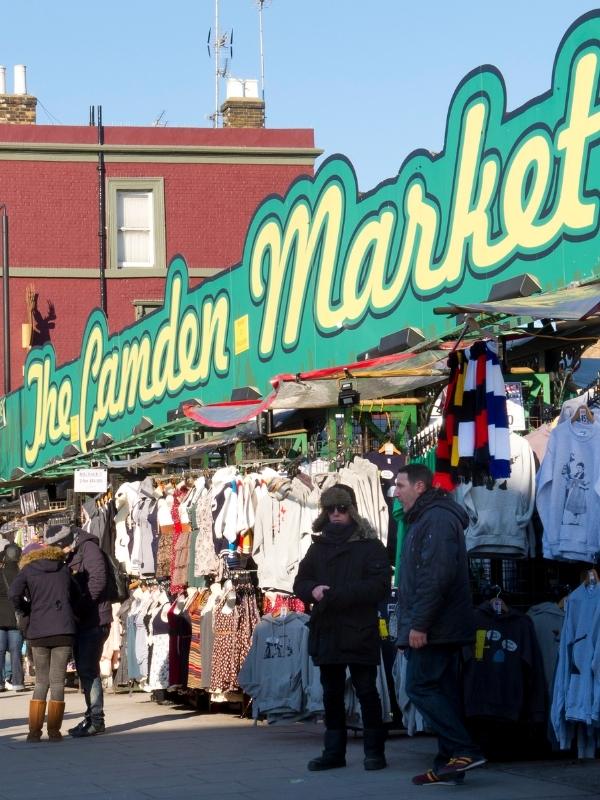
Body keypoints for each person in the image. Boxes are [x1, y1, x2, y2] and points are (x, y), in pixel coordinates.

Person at [394, 464, 485, 786]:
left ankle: (464, 749)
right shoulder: (427, 518)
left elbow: (436, 577)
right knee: (443, 690)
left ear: (419, 487)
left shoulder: (436, 518)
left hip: (437, 626)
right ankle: (450, 764)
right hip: (438, 624)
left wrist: (418, 625)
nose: (395, 491)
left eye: (400, 485)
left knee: (420, 686)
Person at [294, 484, 391, 772]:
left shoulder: (371, 546)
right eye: (331, 508)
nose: (336, 514)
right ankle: (333, 752)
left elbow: (379, 586)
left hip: (359, 628)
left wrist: (336, 594)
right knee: (331, 693)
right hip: (328, 628)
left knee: (366, 691)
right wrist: (313, 591)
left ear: (352, 510)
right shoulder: (318, 546)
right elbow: (301, 582)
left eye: (342, 508)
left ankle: (375, 752)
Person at [8, 535, 76, 741]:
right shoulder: (63, 569)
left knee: (41, 681)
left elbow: (13, 594)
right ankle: (54, 732)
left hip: (38, 630)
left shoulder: (28, 570)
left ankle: (34, 731)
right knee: (57, 682)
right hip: (63, 629)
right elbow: (78, 595)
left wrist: (25, 609)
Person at [64, 524, 111, 737]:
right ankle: (91, 717)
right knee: (85, 671)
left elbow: (98, 581)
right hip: (83, 620)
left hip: (94, 619)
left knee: (89, 671)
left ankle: (97, 720)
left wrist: (79, 607)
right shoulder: (75, 550)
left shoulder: (89, 549)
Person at [0, 543, 26, 692]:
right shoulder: (21, 573)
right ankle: (18, 682)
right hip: (16, 617)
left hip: (0, 618)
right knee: (16, 652)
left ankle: (0, 683)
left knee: (0, 651)